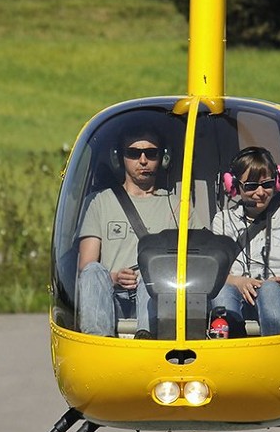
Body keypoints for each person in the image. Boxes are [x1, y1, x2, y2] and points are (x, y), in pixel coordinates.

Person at [76, 126, 194, 337]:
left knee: (151, 280)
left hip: (157, 300)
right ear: (119, 158)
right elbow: (86, 266)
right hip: (112, 297)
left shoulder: (179, 206)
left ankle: (145, 338)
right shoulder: (99, 202)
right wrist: (115, 277)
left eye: (151, 153)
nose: (142, 160)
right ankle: (98, 342)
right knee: (94, 271)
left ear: (163, 158)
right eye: (133, 153)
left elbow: (198, 259)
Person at [210, 146, 280, 336]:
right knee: (223, 295)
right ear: (234, 186)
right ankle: (229, 354)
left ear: (277, 182)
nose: (261, 192)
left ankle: (275, 357)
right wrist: (239, 282)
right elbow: (215, 275)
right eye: (251, 186)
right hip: (238, 296)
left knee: (270, 290)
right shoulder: (223, 221)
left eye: (267, 184)